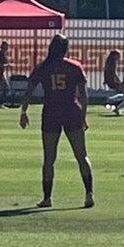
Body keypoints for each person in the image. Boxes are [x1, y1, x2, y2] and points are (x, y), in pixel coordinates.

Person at [19, 34, 94, 209]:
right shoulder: (74, 67)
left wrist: (23, 111)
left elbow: (29, 90)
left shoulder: (43, 67)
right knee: (81, 155)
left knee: (49, 158)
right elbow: (83, 95)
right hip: (71, 111)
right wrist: (83, 116)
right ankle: (89, 193)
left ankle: (47, 198)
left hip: (51, 112)